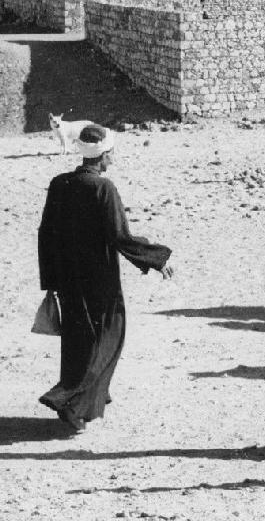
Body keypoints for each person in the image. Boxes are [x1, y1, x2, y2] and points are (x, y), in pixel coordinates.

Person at [37, 124, 173, 434]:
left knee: (78, 342)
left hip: (68, 280)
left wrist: (51, 282)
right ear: (103, 156)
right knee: (109, 336)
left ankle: (88, 398)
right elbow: (119, 236)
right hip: (99, 281)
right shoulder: (103, 188)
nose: (113, 158)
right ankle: (71, 401)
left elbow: (46, 233)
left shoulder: (60, 184)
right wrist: (156, 258)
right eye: (111, 153)